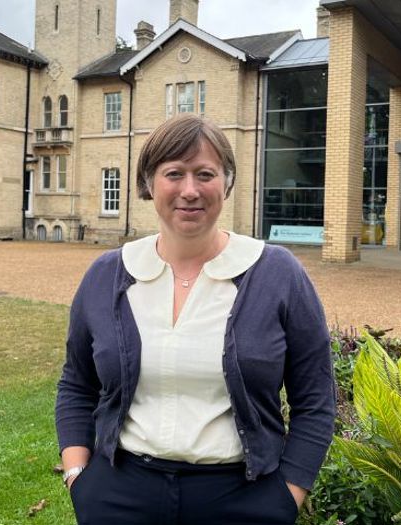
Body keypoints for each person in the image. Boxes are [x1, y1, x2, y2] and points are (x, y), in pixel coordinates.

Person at [55, 114, 336, 524]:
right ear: (149, 184)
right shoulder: (107, 274)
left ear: (227, 182)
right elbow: (77, 382)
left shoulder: (276, 273)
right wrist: (79, 475)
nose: (190, 190)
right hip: (119, 495)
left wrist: (287, 495)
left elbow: (315, 396)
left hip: (244, 496)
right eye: (174, 173)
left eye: (205, 173)